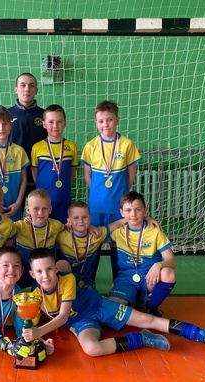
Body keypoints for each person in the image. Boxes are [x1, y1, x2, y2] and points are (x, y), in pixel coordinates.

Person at [22, 248, 205, 358]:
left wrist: (39, 332)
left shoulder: (67, 280)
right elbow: (32, 326)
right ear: (32, 274)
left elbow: (63, 315)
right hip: (81, 321)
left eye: (49, 269)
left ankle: (200, 334)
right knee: (92, 349)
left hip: (99, 306)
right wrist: (41, 340)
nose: (45, 275)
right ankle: (141, 338)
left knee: (147, 319)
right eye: (39, 271)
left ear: (56, 269)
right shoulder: (34, 296)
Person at [81, 100, 141, 281]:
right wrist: (99, 193)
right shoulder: (91, 146)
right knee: (94, 243)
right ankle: (89, 282)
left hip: (118, 208)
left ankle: (119, 282)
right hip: (96, 206)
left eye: (110, 120)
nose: (105, 124)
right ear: (96, 122)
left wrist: (120, 197)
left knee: (118, 244)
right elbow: (87, 177)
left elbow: (131, 177)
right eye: (101, 121)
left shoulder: (127, 144)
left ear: (117, 120)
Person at [108, 191, 177, 316]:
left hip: (148, 279)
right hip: (126, 279)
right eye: (128, 210)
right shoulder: (118, 232)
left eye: (138, 209)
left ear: (145, 209)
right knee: (111, 311)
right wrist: (123, 221)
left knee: (168, 274)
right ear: (122, 212)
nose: (133, 214)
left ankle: (152, 307)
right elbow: (98, 234)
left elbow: (172, 261)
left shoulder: (155, 232)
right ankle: (135, 297)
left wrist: (158, 265)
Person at [56, 201, 125, 288]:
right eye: (76, 218)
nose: (80, 221)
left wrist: (140, 218)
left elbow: (119, 223)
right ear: (69, 221)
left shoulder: (96, 235)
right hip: (67, 284)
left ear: (90, 219)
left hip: (88, 283)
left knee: (95, 296)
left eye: (84, 217)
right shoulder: (61, 236)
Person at [31, 104, 78, 223]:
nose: (55, 126)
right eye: (51, 122)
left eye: (59, 122)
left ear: (65, 123)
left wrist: (63, 186)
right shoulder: (37, 147)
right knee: (43, 229)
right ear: (44, 124)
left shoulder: (71, 146)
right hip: (43, 201)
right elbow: (35, 171)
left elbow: (72, 173)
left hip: (63, 197)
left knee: (62, 228)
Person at [13, 189, 65, 287]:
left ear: (50, 209)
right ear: (28, 210)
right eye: (36, 209)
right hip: (24, 270)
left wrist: (90, 228)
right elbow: (2, 227)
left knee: (64, 265)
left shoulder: (57, 226)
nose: (40, 213)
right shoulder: (21, 226)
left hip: (45, 273)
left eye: (44, 208)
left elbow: (71, 229)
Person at [8, 73, 48, 197]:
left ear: (36, 90)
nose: (27, 89)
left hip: (38, 174)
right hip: (13, 173)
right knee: (13, 209)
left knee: (38, 209)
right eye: (23, 85)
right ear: (16, 89)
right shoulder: (6, 115)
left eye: (31, 86)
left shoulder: (45, 115)